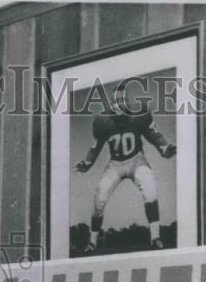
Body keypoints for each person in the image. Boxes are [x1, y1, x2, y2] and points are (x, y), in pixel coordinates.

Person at [75, 81, 177, 253]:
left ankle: (155, 238)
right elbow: (96, 147)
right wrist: (87, 163)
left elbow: (154, 136)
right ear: (111, 104)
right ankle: (92, 243)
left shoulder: (139, 115)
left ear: (128, 101)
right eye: (115, 101)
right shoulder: (103, 122)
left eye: (122, 100)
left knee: (151, 191)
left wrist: (164, 149)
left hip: (136, 159)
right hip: (115, 164)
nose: (119, 104)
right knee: (98, 201)